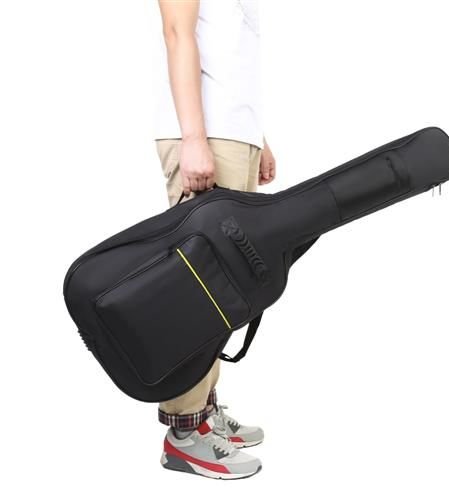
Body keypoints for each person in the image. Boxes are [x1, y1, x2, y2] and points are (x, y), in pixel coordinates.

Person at [154, 0, 275, 479]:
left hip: (233, 134)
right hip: (205, 136)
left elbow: (231, 57)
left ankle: (203, 413)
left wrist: (257, 138)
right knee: (198, 292)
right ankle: (184, 434)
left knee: (225, 291)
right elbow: (177, 34)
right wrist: (193, 138)